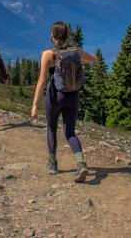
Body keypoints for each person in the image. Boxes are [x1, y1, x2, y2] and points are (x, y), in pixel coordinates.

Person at [31, 22, 98, 182]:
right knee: (70, 132)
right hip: (73, 96)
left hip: (56, 96)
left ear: (53, 37)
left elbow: (42, 80)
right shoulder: (76, 51)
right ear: (68, 35)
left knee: (52, 128)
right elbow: (94, 59)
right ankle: (81, 164)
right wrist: (81, 62)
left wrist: (34, 104)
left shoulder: (49, 54)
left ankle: (53, 164)